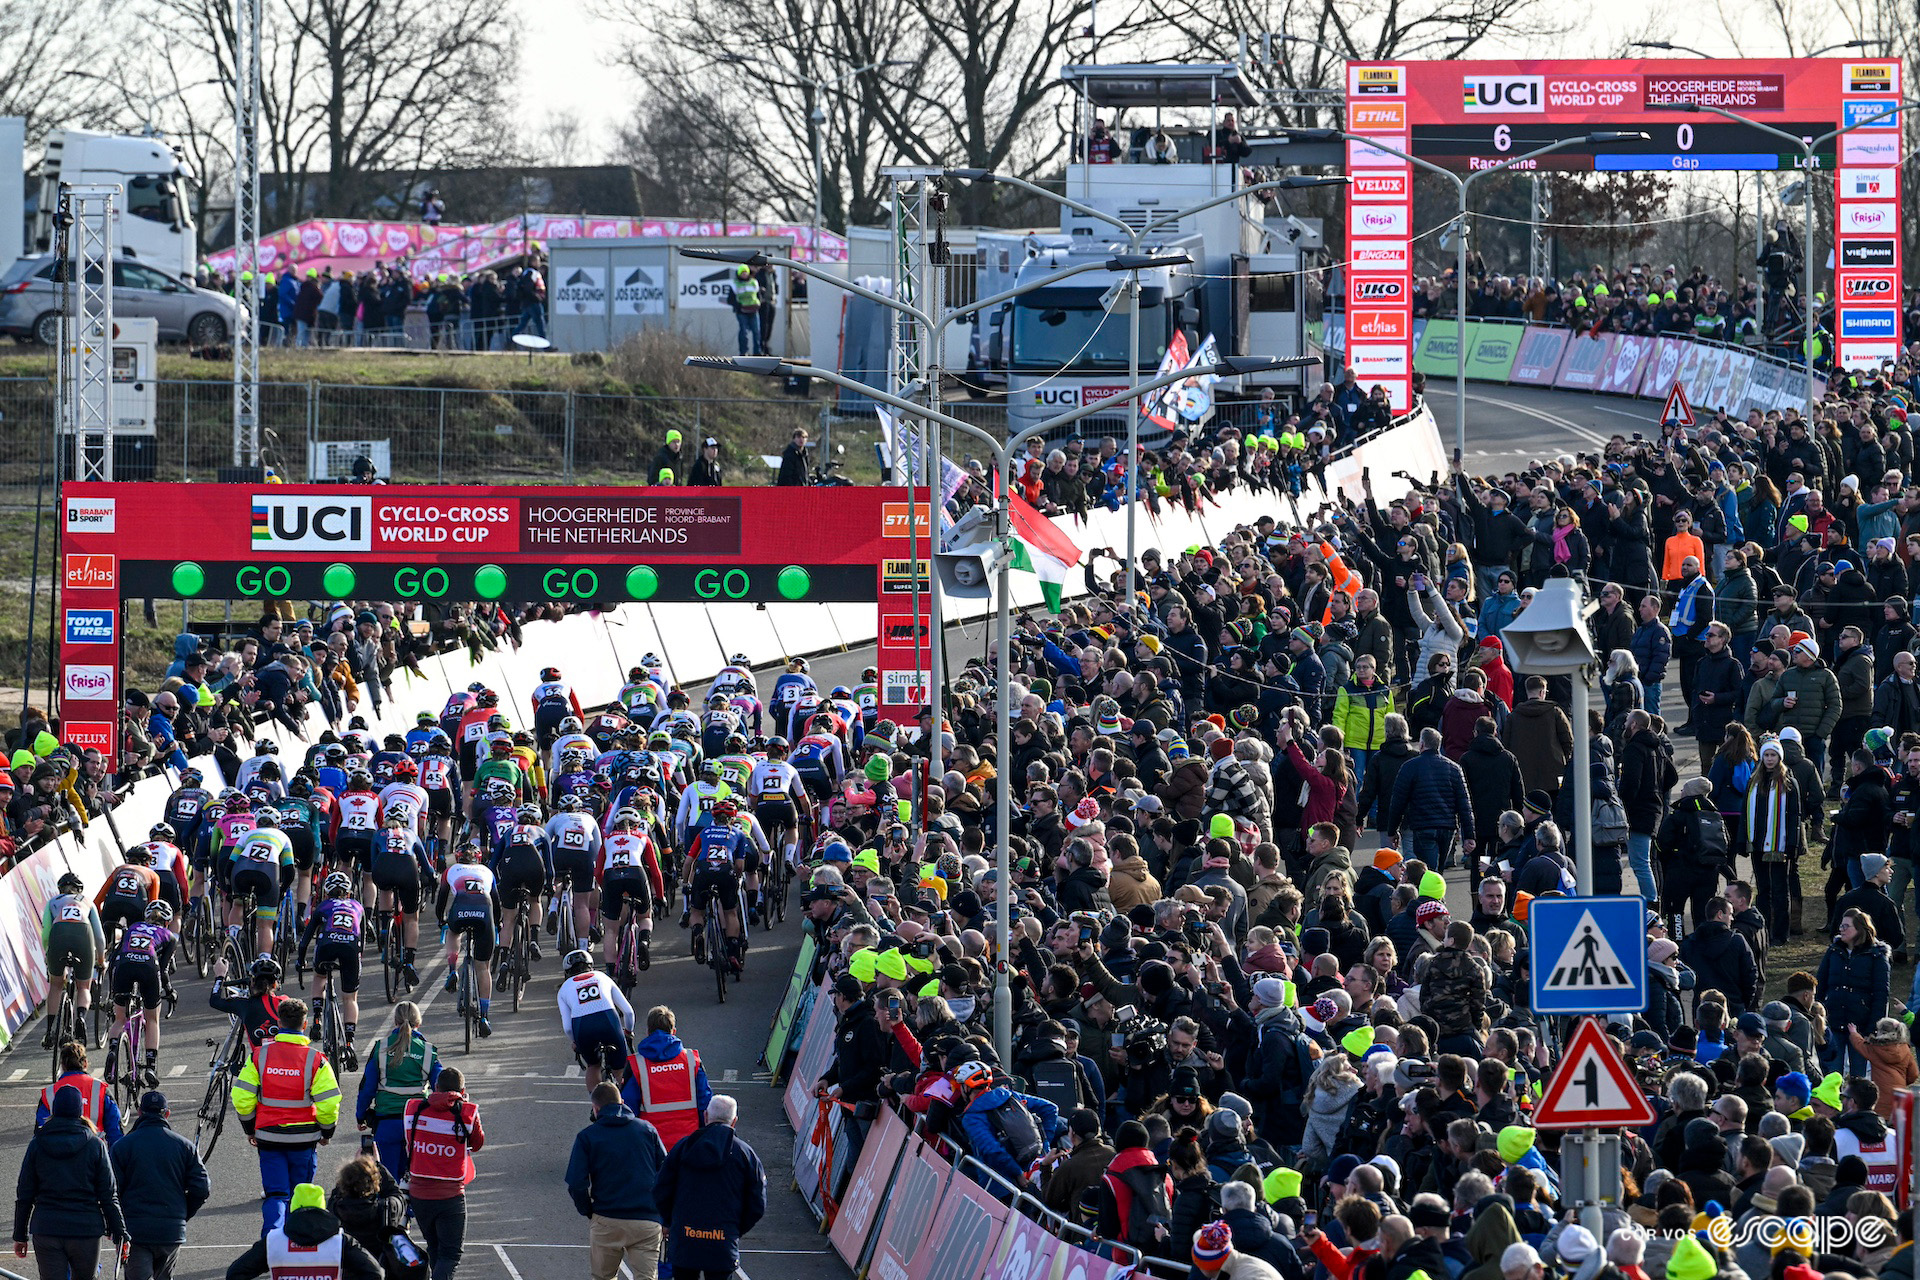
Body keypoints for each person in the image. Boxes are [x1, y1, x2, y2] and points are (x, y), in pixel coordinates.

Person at [231, 997, 341, 1232]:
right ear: (305, 1024)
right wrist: (326, 1131)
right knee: (300, 1194)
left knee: (276, 1195)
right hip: (304, 1139)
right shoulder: (316, 1060)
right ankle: (297, 1244)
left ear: (279, 1023)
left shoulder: (259, 1056)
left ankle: (271, 1244)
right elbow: (329, 1101)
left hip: (269, 1137)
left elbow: (241, 1097)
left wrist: (250, 1129)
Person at [12, 1084, 127, 1280]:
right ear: (80, 1112)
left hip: (47, 1227)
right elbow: (108, 1194)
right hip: (86, 1229)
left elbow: (25, 1193)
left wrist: (20, 1235)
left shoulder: (38, 1144)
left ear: (54, 1110)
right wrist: (120, 1233)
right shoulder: (95, 1145)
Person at [655, 1094, 767, 1280]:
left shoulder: (683, 1148)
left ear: (706, 1116)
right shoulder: (745, 1154)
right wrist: (734, 1229)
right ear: (734, 1121)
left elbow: (661, 1188)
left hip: (684, 1240)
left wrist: (670, 1221)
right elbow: (758, 1203)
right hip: (722, 1243)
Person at [566, 1082, 668, 1280]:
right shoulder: (647, 1130)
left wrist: (588, 1210)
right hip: (646, 1220)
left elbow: (576, 1183)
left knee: (603, 1277)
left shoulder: (587, 1137)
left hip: (607, 1218)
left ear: (596, 1108)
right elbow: (666, 1174)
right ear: (622, 1102)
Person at [108, 1092, 209, 1280]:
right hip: (171, 1230)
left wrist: (114, 1226)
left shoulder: (122, 1147)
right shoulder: (185, 1147)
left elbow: (112, 1191)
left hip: (135, 1230)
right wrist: (182, 1213)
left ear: (140, 1112)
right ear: (167, 1114)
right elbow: (202, 1187)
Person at [401, 1065, 483, 1280]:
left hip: (419, 1194)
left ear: (436, 1087)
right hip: (450, 1196)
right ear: (462, 1092)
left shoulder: (414, 1109)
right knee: (451, 1254)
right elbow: (477, 1143)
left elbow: (409, 1141)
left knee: (435, 1247)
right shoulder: (466, 1113)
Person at [355, 1000, 442, 1180]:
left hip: (387, 1124)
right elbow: (441, 1087)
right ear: (419, 1023)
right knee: (418, 1178)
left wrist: (360, 1115)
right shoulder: (428, 1052)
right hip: (418, 1124)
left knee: (388, 1181)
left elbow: (367, 1088)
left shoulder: (381, 1048)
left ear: (395, 1022)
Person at [223, 1183, 382, 1280]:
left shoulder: (273, 1241)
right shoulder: (340, 1241)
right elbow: (375, 1273)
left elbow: (235, 1274)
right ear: (323, 1209)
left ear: (293, 1208)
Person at [622, 1005, 711, 1152]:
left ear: (648, 1032)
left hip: (651, 1146)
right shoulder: (691, 1061)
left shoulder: (637, 1065)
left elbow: (628, 1110)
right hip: (688, 1144)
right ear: (673, 1032)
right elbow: (705, 1104)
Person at [36, 1041, 125, 1146]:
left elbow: (40, 1135)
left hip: (57, 1154)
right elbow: (115, 1130)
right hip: (93, 1153)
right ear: (85, 1063)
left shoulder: (49, 1093)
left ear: (62, 1066)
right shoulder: (100, 1089)